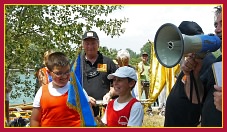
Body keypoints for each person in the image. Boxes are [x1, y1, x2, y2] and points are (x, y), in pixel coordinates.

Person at [165, 6, 222, 127]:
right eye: (216, 25)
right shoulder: (219, 63)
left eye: (223, 23)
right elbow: (197, 99)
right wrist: (193, 75)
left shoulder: (210, 61)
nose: (217, 30)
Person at [30, 52, 89, 127]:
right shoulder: (42, 91)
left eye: (67, 72)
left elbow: (88, 116)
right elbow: (35, 120)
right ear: (49, 72)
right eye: (59, 73)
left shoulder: (77, 89)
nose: (64, 76)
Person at [82, 31, 117, 118]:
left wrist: (110, 94)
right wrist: (84, 97)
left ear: (98, 44)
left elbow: (119, 85)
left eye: (93, 43)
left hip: (105, 109)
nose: (90, 46)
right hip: (84, 109)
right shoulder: (77, 64)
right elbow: (70, 87)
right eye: (87, 43)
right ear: (83, 45)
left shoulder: (108, 62)